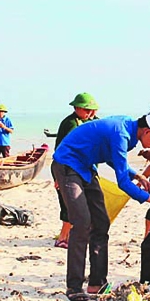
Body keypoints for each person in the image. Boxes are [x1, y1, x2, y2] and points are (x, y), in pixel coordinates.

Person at [51, 110, 150, 301]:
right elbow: (122, 183)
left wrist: (138, 175)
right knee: (82, 222)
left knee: (101, 222)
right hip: (67, 164)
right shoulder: (121, 133)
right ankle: (74, 286)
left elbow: (113, 157)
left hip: (85, 167)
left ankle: (97, 283)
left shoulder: (128, 127)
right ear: (147, 131)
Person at [53, 92, 100, 248]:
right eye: (87, 110)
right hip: (67, 170)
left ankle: (74, 233)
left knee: (83, 204)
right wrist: (58, 178)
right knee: (69, 204)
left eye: (93, 110)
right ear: (76, 108)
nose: (91, 114)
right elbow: (60, 152)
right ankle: (63, 237)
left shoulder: (93, 122)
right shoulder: (70, 124)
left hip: (85, 171)